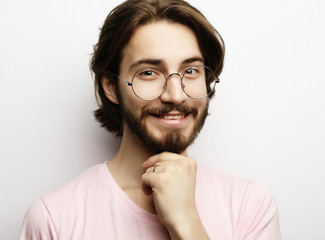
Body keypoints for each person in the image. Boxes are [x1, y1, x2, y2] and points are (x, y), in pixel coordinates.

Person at [19, 0, 281, 239]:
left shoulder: (250, 206)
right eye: (148, 73)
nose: (175, 95)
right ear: (111, 86)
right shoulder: (54, 218)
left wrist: (187, 223)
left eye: (190, 70)